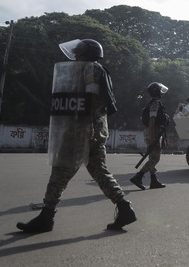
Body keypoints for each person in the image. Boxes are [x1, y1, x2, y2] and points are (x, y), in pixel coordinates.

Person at [17, 39, 136, 233]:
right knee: (99, 171)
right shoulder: (97, 69)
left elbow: (90, 98)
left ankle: (46, 217)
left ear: (85, 54)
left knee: (60, 171)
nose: (76, 57)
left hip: (82, 131)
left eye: (78, 54)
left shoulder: (89, 70)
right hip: (95, 130)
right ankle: (124, 208)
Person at [130, 82, 170, 190]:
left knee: (152, 157)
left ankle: (154, 180)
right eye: (160, 90)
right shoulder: (156, 103)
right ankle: (138, 176)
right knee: (155, 159)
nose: (161, 92)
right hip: (154, 132)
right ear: (157, 91)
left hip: (150, 131)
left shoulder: (151, 103)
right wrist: (152, 136)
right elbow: (152, 120)